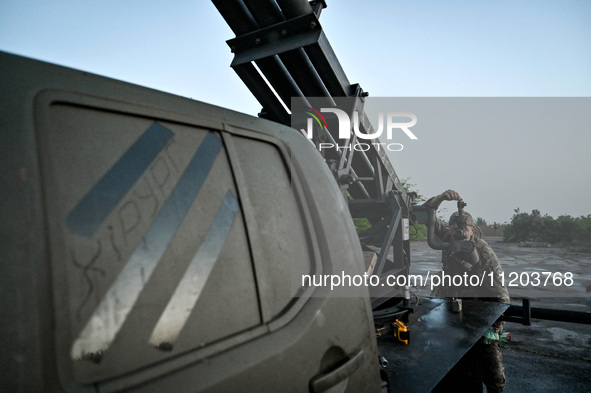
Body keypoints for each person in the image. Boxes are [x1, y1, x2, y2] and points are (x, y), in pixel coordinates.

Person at [425, 190, 510, 393]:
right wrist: (441, 198)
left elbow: (500, 289)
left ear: (473, 231)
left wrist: (497, 324)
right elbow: (428, 213)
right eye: (454, 227)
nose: (459, 231)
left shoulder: (484, 252)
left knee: (491, 361)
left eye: (464, 229)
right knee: (447, 357)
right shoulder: (447, 237)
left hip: (480, 307)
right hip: (451, 307)